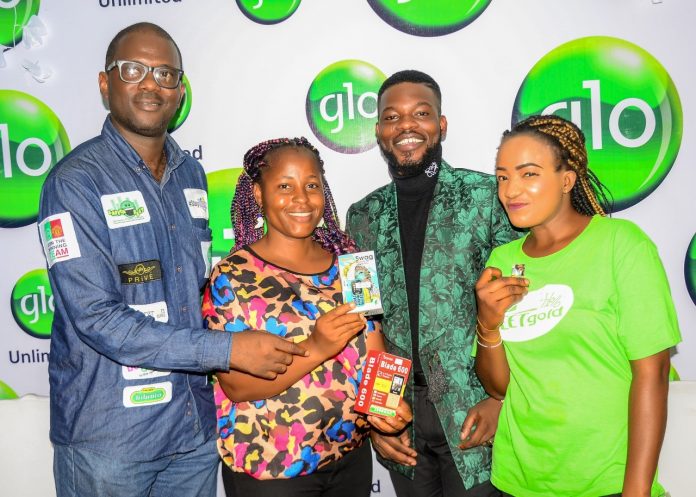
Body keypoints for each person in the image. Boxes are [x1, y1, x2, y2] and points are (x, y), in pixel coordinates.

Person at [38, 23, 305, 497]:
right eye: (133, 70)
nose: (150, 84)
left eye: (165, 74)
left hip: (193, 432)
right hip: (111, 443)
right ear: (105, 83)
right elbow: (97, 318)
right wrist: (228, 350)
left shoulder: (191, 175)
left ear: (180, 92)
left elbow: (195, 290)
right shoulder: (75, 182)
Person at [474, 115, 681, 497]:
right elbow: (499, 387)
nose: (511, 190)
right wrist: (487, 325)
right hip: (518, 481)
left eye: (529, 174)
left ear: (567, 180)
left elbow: (652, 375)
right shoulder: (502, 260)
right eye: (502, 177)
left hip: (606, 481)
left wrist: (636, 490)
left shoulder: (622, 245)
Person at [202, 137, 411, 497]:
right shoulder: (232, 276)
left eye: (311, 185)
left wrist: (386, 408)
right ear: (258, 194)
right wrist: (317, 347)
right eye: (285, 186)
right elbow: (237, 387)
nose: (301, 198)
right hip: (274, 467)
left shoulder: (354, 264)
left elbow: (375, 352)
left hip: (349, 456)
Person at [346, 70, 518, 497]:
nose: (406, 125)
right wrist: (377, 416)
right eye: (392, 117)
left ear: (441, 125)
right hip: (402, 420)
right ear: (379, 131)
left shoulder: (487, 197)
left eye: (421, 113)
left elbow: (519, 305)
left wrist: (502, 400)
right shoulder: (361, 215)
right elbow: (366, 319)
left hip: (475, 407)